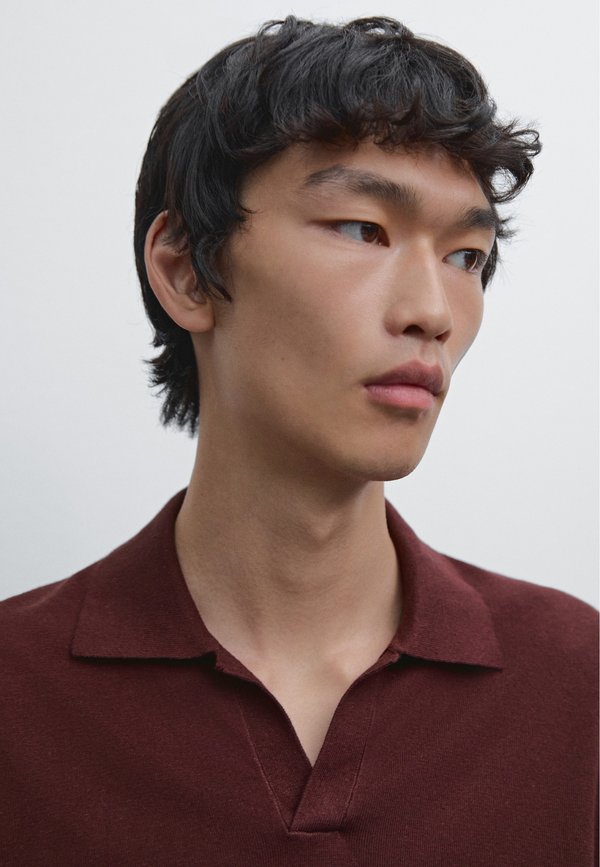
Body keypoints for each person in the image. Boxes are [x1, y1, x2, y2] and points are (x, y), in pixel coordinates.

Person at [1, 16, 597, 866]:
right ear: (185, 269)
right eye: (362, 229)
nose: (432, 311)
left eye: (467, 256)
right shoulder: (18, 693)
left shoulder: (575, 680)